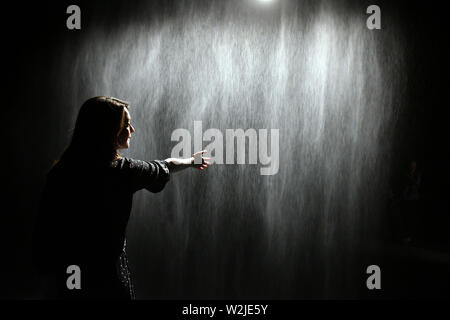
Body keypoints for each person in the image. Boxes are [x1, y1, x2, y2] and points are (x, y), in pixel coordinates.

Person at [32, 96, 209, 299]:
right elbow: (165, 166)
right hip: (106, 278)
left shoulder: (60, 172)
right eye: (126, 124)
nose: (131, 130)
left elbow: (43, 233)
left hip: (68, 275)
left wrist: (50, 281)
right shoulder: (122, 172)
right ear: (107, 130)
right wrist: (190, 161)